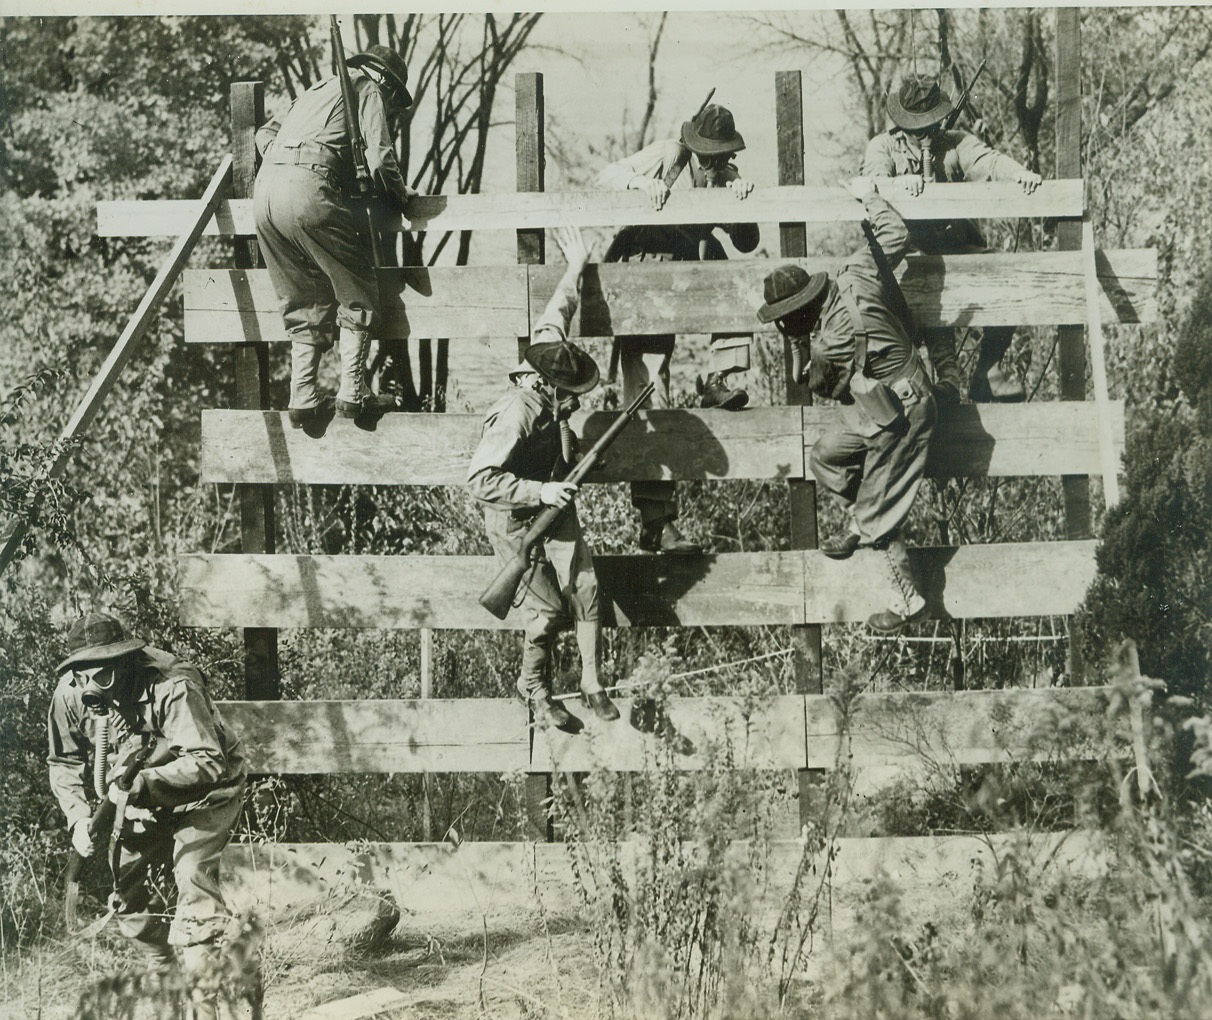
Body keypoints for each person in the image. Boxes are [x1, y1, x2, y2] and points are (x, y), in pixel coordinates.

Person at [48, 612, 248, 1020]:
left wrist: (138, 786)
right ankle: (165, 983)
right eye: (82, 676)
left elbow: (208, 762)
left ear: (125, 661)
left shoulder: (172, 684)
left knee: (192, 873)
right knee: (128, 891)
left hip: (206, 791)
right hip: (136, 794)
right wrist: (77, 816)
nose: (91, 688)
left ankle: (202, 1005)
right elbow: (63, 761)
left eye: (102, 676)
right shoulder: (71, 694)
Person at [758, 179, 935, 633]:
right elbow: (894, 233)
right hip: (885, 399)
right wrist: (868, 194)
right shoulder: (855, 271)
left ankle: (906, 599)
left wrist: (798, 346)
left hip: (905, 411)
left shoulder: (830, 345)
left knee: (877, 512)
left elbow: (815, 384)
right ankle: (871, 511)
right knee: (825, 456)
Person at [467, 226, 620, 733]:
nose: (576, 402)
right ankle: (534, 691)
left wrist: (576, 264)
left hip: (554, 502)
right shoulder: (515, 413)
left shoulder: (548, 353)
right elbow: (480, 479)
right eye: (569, 395)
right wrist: (539, 491)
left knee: (587, 585)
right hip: (515, 518)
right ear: (546, 387)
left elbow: (558, 312)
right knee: (549, 611)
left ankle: (593, 683)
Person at [596, 103, 760, 554]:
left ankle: (719, 378)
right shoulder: (669, 155)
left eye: (720, 157)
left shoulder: (725, 174)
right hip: (644, 271)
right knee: (651, 397)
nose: (711, 165)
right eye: (706, 156)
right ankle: (656, 521)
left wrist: (738, 196)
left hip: (690, 266)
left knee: (727, 272)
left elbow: (749, 241)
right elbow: (604, 178)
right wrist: (639, 183)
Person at [254, 44, 419, 429]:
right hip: (307, 191)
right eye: (395, 99)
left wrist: (287, 162)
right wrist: (402, 195)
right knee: (358, 286)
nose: (392, 107)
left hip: (265, 195)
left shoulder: (317, 88)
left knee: (302, 294)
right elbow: (380, 157)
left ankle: (304, 396)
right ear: (388, 84)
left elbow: (265, 134)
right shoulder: (370, 89)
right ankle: (353, 391)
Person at [860, 74, 1044, 403]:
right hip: (908, 256)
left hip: (955, 248)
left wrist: (1018, 173)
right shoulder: (883, 145)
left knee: (1009, 276)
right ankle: (936, 385)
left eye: (930, 125)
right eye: (916, 126)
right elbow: (872, 179)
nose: (924, 134)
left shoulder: (954, 142)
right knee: (924, 309)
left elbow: (987, 159)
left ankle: (987, 371)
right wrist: (898, 186)